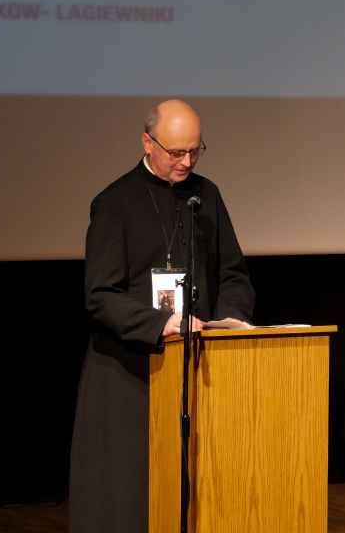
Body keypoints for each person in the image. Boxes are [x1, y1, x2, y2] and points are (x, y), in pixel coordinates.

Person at [70, 99, 255, 533]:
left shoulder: (207, 196)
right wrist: (161, 324)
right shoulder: (114, 203)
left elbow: (233, 275)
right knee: (133, 497)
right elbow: (100, 294)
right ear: (147, 142)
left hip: (198, 364)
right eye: (176, 152)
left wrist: (227, 325)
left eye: (195, 151)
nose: (186, 162)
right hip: (130, 370)